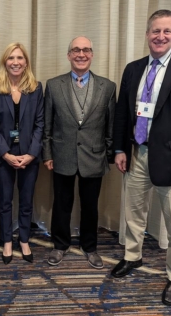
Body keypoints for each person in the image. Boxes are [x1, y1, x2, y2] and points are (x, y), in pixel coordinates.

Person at [111, 9, 171, 306]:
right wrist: (118, 149)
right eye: (156, 31)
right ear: (147, 34)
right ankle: (132, 256)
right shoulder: (133, 69)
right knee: (133, 214)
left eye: (167, 31)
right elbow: (122, 113)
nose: (161, 36)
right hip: (137, 153)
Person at [43, 36, 116, 269]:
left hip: (94, 157)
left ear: (92, 54)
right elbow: (47, 125)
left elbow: (110, 125)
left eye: (86, 50)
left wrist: (110, 155)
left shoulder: (108, 87)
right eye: (76, 50)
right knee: (62, 203)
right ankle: (59, 245)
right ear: (69, 55)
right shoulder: (54, 85)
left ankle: (90, 247)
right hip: (62, 155)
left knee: (90, 205)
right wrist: (47, 154)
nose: (81, 54)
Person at [0, 43, 44, 265]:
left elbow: (40, 124)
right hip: (3, 155)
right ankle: (7, 242)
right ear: (5, 61)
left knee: (27, 201)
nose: (16, 62)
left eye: (20, 58)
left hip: (30, 155)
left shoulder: (36, 88)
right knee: (5, 201)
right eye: (11, 58)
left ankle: (24, 240)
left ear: (26, 62)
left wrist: (31, 153)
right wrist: (5, 154)